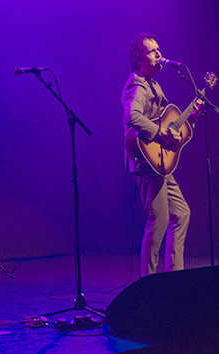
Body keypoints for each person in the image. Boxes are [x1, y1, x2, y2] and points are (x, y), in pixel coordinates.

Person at [122, 34, 203, 278]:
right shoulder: (137, 85)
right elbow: (132, 117)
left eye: (159, 49)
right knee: (159, 220)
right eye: (152, 51)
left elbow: (170, 125)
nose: (159, 54)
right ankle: (148, 283)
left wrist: (192, 119)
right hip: (146, 162)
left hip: (160, 163)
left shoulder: (154, 84)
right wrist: (160, 135)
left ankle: (173, 277)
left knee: (181, 213)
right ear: (139, 59)